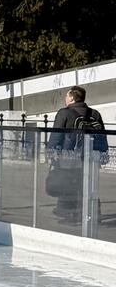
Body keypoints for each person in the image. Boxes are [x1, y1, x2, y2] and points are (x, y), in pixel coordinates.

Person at [48, 85, 109, 224]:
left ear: (72, 98)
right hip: (91, 158)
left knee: (70, 185)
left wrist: (52, 153)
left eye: (67, 95)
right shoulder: (95, 114)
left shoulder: (64, 113)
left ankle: (71, 214)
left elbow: (57, 136)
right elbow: (102, 135)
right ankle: (94, 212)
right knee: (87, 185)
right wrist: (103, 155)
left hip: (69, 158)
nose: (65, 98)